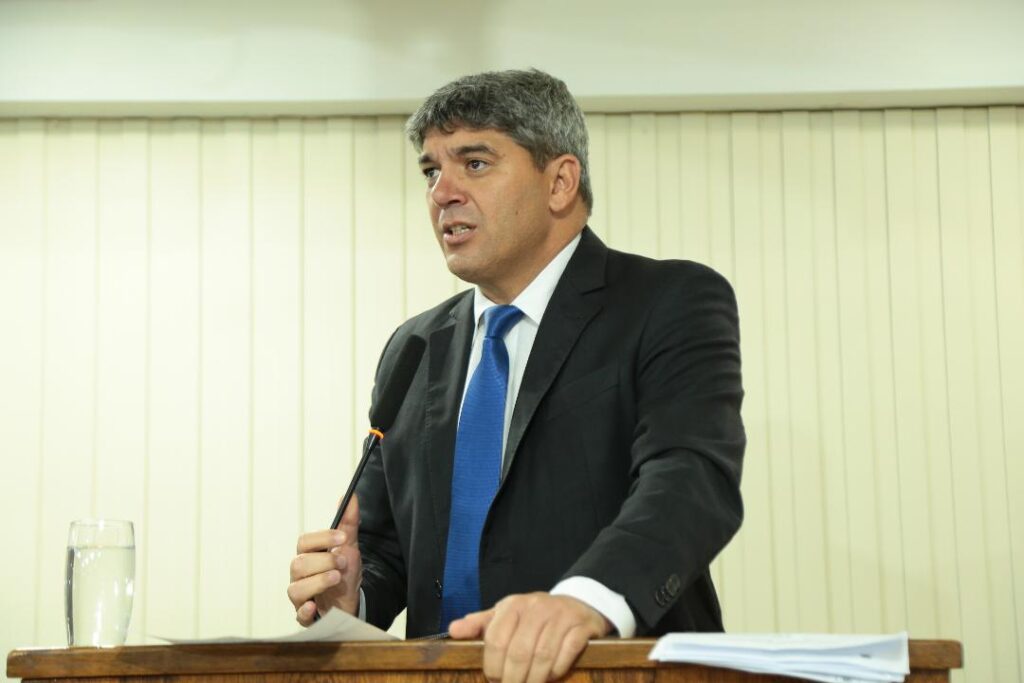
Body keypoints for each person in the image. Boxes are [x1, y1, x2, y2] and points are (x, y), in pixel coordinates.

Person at [287, 69, 745, 682]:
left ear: (560, 182)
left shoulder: (667, 301)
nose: (442, 193)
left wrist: (585, 600)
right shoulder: (413, 346)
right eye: (431, 171)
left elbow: (690, 478)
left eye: (474, 164)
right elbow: (386, 545)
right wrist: (352, 597)